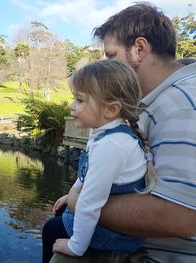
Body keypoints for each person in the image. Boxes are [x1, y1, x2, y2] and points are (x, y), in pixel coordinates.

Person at [49, 3, 196, 263]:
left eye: (110, 55)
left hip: (153, 255)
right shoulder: (150, 99)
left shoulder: (181, 107)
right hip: (134, 241)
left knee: (56, 231)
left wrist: (78, 201)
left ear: (139, 49)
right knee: (54, 226)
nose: (105, 65)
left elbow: (182, 216)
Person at [42, 59, 156, 262]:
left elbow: (89, 203)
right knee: (60, 209)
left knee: (51, 229)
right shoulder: (105, 132)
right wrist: (71, 194)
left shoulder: (111, 146)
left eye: (79, 100)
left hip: (114, 236)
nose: (71, 106)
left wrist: (76, 246)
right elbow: (87, 173)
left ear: (111, 109)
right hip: (108, 223)